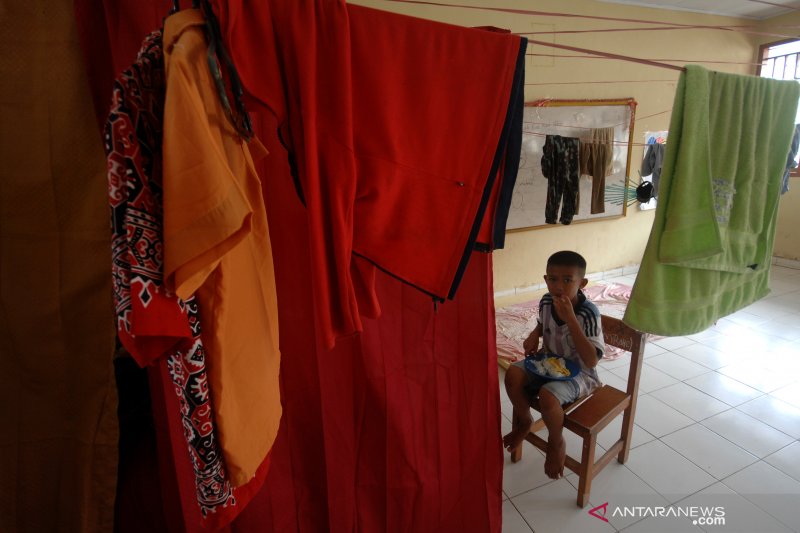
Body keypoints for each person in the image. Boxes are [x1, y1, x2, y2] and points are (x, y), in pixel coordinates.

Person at [502, 250, 605, 479]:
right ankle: (525, 420)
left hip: (580, 374)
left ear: (582, 283)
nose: (559, 286)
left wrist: (570, 319)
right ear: (546, 279)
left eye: (568, 280)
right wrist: (534, 334)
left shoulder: (588, 313)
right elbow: (541, 323)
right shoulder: (547, 301)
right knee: (512, 375)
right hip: (548, 362)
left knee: (548, 397)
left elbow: (591, 360)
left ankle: (556, 442)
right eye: (553, 279)